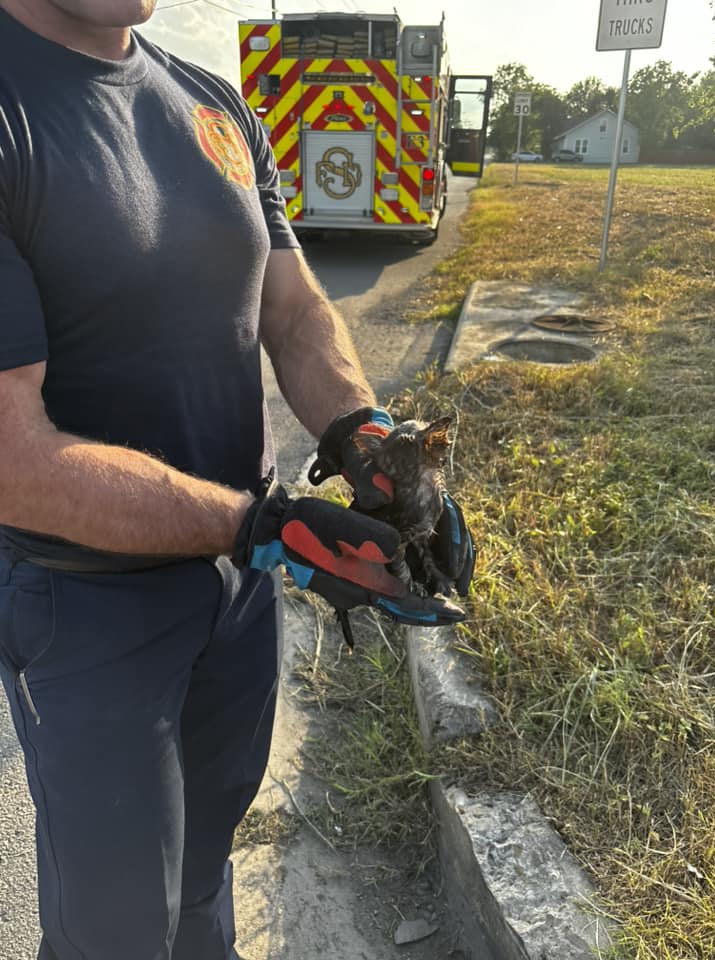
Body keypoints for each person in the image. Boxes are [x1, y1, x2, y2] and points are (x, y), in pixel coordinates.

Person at [0, 2, 474, 958]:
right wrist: (262, 525)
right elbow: (14, 460)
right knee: (117, 929)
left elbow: (294, 311)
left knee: (204, 877)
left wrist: (367, 438)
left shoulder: (214, 102)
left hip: (239, 593)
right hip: (88, 611)